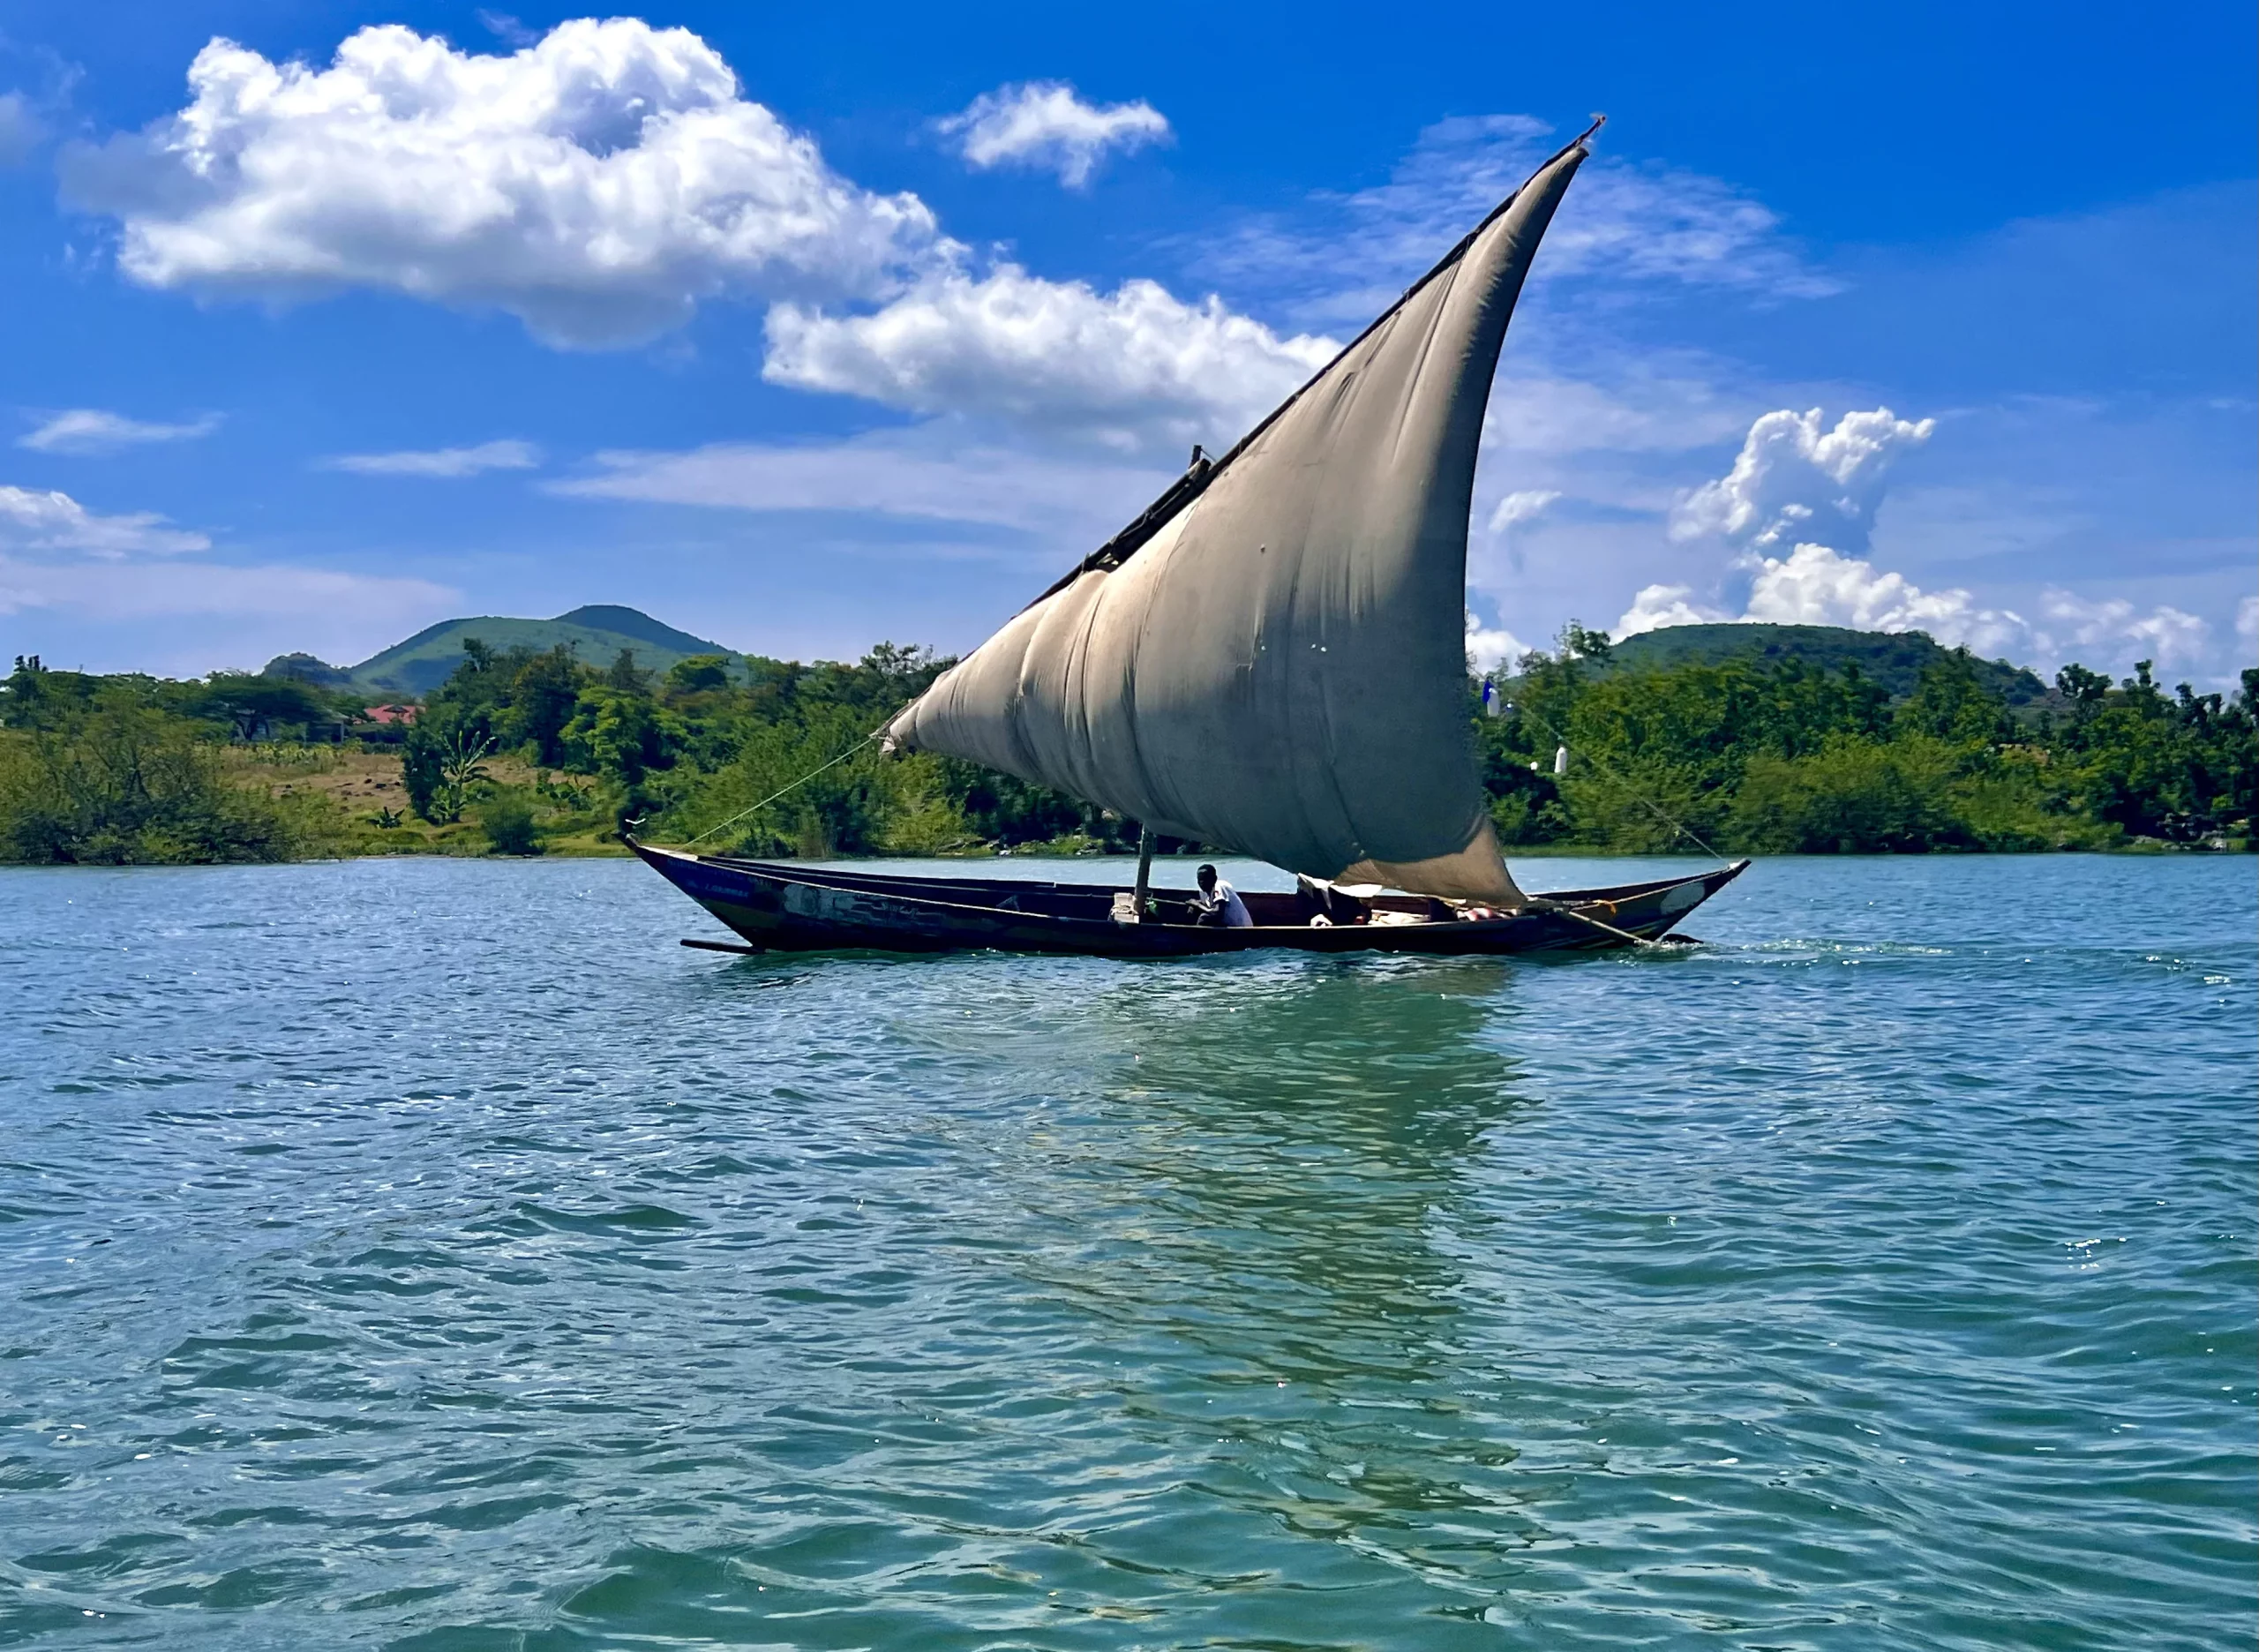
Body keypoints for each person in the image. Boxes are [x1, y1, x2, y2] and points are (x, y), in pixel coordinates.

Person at [1190, 863, 1253, 927]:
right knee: (1196, 911)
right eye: (1199, 880)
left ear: (1215, 879)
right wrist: (1195, 904)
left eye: (1206, 879)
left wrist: (1197, 905)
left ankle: (1195, 936)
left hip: (1240, 926)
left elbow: (1217, 913)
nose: (1202, 882)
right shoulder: (1203, 891)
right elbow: (1208, 904)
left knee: (1204, 918)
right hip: (1226, 923)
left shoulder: (1219, 886)